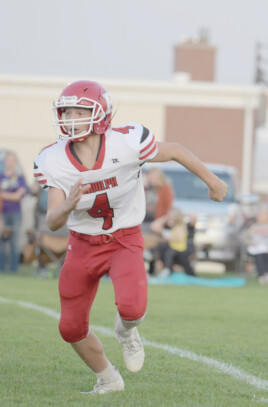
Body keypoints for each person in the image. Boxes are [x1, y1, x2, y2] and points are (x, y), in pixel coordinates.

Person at [33, 80, 227, 395]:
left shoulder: (128, 142)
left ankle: (126, 332)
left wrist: (213, 180)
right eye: (66, 112)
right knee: (69, 327)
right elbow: (53, 221)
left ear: (100, 116)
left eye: (78, 112)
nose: (69, 119)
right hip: (82, 244)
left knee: (132, 309)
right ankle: (108, 379)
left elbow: (176, 150)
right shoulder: (53, 159)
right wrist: (67, 204)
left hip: (123, 238)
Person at [242, 204, 268, 285]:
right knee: (259, 255)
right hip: (256, 248)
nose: (259, 216)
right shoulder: (253, 227)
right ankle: (262, 276)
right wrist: (251, 243)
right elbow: (245, 239)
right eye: (259, 214)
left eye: (262, 214)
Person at [0, 151, 28, 272]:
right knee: (2, 241)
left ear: (15, 162)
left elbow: (19, 196)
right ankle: (2, 268)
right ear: (5, 162)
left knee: (14, 240)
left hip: (16, 212)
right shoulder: (1, 176)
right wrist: (13, 195)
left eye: (12, 160)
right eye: (8, 160)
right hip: (2, 212)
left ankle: (13, 269)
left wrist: (3, 195)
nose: (10, 162)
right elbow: (15, 195)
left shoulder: (20, 177)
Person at [150, 208, 197, 278]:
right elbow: (154, 226)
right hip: (173, 248)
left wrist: (169, 237)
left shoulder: (181, 225)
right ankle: (152, 255)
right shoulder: (171, 225)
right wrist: (165, 217)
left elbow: (179, 238)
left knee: (168, 253)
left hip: (180, 249)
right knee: (162, 246)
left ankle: (166, 269)